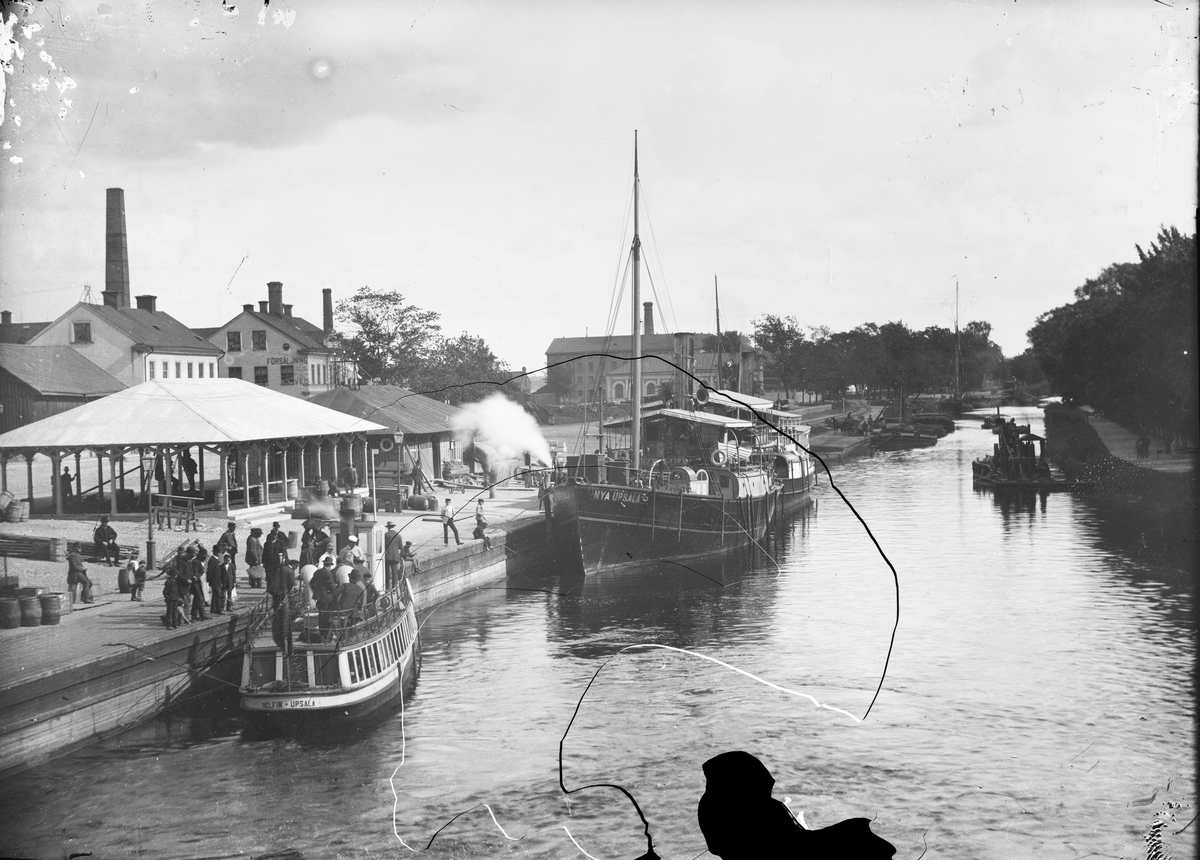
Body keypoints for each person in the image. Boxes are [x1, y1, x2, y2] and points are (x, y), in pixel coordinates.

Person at [310, 556, 338, 641]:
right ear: (329, 565)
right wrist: (335, 591)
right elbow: (332, 586)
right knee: (327, 616)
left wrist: (316, 591)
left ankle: (321, 633)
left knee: (321, 616)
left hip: (319, 598)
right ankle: (326, 635)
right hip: (327, 598)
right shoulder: (329, 574)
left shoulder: (317, 572)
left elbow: (311, 582)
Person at [206, 548, 226, 614]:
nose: (219, 554)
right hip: (215, 581)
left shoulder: (215, 560)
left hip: (217, 580)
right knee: (218, 595)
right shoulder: (212, 560)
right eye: (218, 552)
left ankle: (213, 610)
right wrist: (211, 580)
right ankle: (218, 610)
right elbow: (210, 571)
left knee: (215, 595)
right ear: (215, 552)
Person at [383, 521, 402, 589]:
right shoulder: (398, 535)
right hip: (395, 556)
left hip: (387, 556)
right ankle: (394, 587)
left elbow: (383, 546)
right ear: (394, 527)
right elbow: (401, 547)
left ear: (388, 527)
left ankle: (387, 587)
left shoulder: (386, 535)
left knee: (387, 572)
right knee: (395, 572)